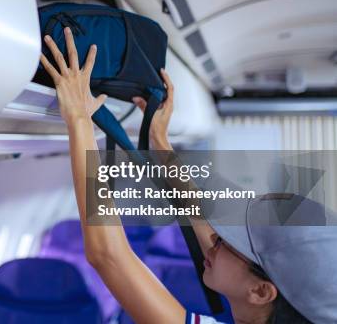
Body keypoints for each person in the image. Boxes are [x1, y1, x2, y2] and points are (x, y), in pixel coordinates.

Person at [39, 26, 337, 324]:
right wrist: (160, 141)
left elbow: (108, 256)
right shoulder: (255, 299)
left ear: (260, 292)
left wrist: (78, 118)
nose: (215, 238)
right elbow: (201, 218)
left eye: (230, 243)